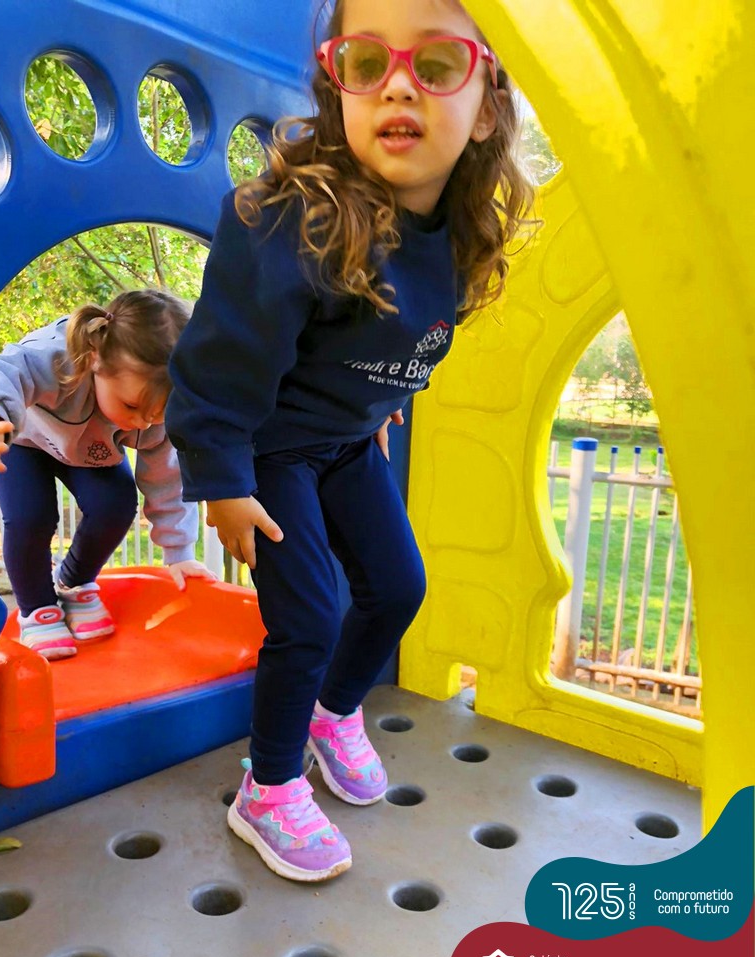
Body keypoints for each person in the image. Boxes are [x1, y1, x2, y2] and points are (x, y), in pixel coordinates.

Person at [166, 0, 533, 882]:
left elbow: (404, 334)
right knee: (310, 614)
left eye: (436, 65)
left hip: (346, 442)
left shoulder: (458, 232)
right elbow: (217, 364)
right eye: (368, 64)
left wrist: (385, 395)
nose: (399, 86)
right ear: (339, 93)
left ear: (487, 107)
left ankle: (333, 715)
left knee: (399, 587)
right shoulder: (293, 221)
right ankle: (268, 785)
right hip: (270, 450)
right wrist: (222, 481)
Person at [0, 288, 216, 661]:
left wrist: (179, 553)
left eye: (159, 412)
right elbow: (0, 370)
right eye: (132, 406)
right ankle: (37, 608)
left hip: (92, 448)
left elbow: (167, 479)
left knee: (116, 505)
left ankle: (74, 582)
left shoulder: (156, 416)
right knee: (31, 516)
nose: (144, 422)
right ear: (96, 360)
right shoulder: (57, 358)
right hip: (25, 438)